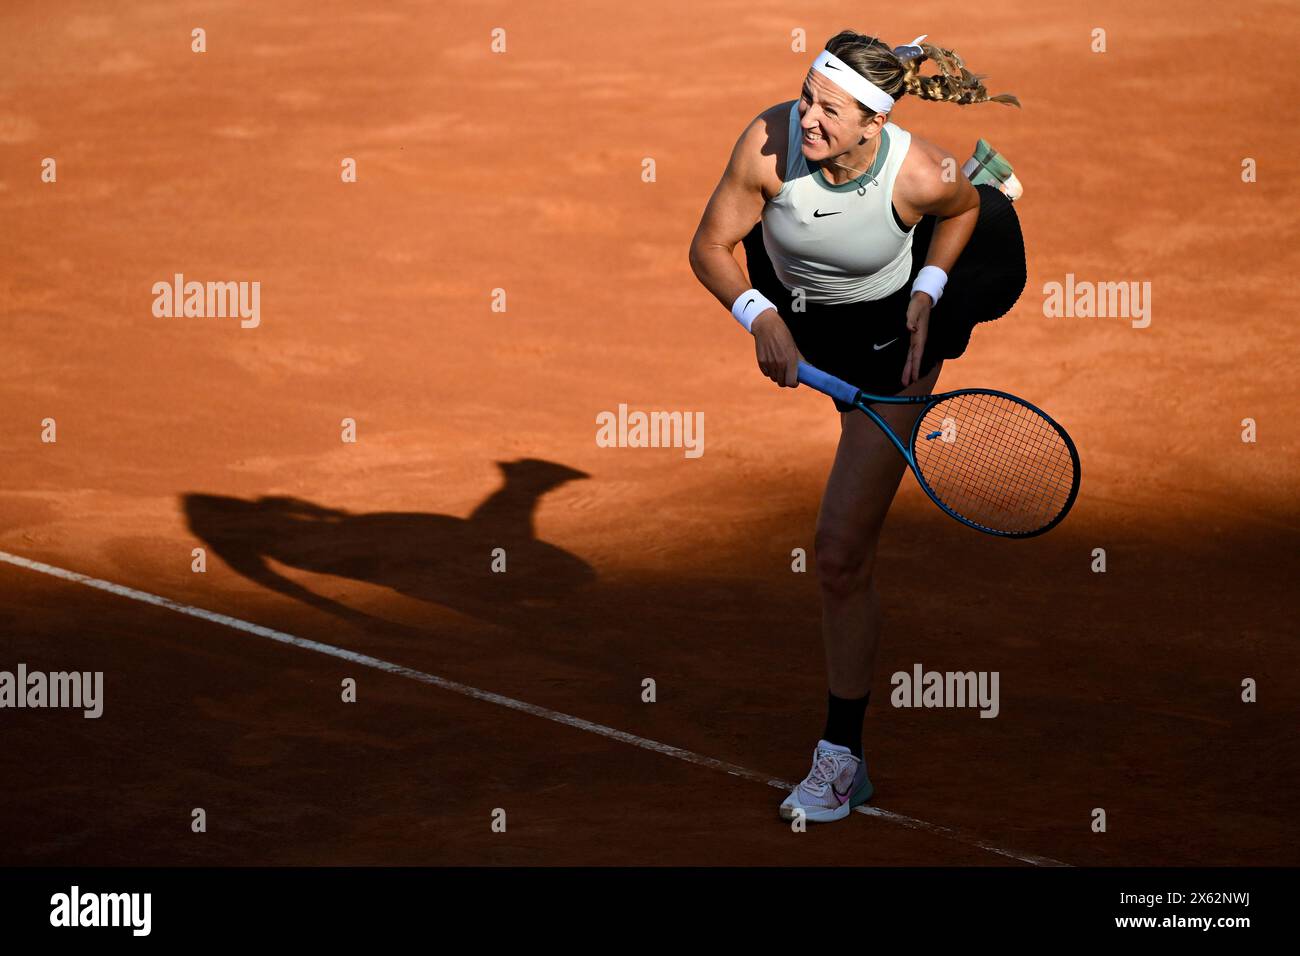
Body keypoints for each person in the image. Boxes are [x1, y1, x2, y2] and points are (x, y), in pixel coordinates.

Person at [687, 31, 1027, 823]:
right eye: (806, 96)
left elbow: (959, 210)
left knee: (839, 556)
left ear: (872, 123)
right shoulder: (768, 145)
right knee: (777, 257)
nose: (804, 117)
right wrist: (756, 313)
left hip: (890, 336)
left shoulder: (916, 171)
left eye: (828, 110)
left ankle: (842, 759)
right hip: (800, 297)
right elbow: (709, 245)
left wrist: (931, 287)